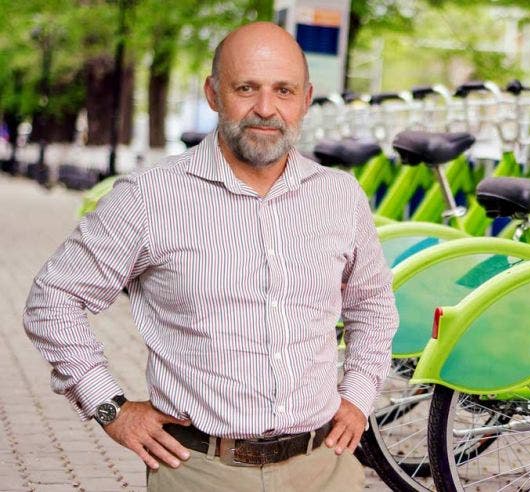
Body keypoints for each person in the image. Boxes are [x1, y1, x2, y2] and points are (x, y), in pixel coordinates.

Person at [23, 22, 398, 491]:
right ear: (214, 93)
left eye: (284, 90)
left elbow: (373, 305)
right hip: (201, 472)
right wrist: (109, 407)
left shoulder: (340, 195)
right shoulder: (150, 197)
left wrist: (359, 395)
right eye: (246, 88)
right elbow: (53, 297)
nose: (266, 108)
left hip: (325, 468)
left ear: (306, 99)